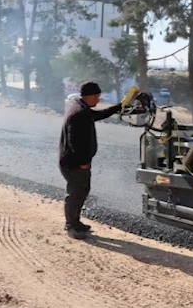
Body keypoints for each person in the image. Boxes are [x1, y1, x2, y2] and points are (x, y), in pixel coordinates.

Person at [58, 81, 139, 239]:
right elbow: (73, 140)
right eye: (97, 96)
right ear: (90, 96)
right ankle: (71, 226)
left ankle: (76, 222)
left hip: (75, 162)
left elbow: (100, 115)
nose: (98, 99)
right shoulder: (79, 113)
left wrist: (120, 106)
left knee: (81, 191)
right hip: (74, 163)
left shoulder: (82, 109)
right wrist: (83, 162)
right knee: (75, 193)